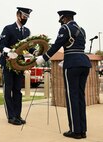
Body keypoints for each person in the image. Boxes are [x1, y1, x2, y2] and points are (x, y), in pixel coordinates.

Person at [36, 10, 91, 139]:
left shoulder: (65, 28)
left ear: (64, 18)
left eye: (61, 20)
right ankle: (82, 130)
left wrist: (43, 58)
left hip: (72, 65)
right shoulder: (82, 30)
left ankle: (75, 131)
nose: (61, 23)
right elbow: (76, 47)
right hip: (84, 63)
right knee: (80, 97)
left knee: (72, 98)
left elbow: (56, 45)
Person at [0, 7, 38, 125]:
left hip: (19, 64)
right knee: (8, 89)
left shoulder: (27, 31)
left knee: (17, 90)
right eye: (24, 16)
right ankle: (11, 116)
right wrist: (9, 52)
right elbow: (1, 45)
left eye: (27, 17)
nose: (25, 19)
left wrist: (35, 51)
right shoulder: (8, 29)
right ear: (18, 15)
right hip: (8, 62)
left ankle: (18, 115)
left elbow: (27, 46)